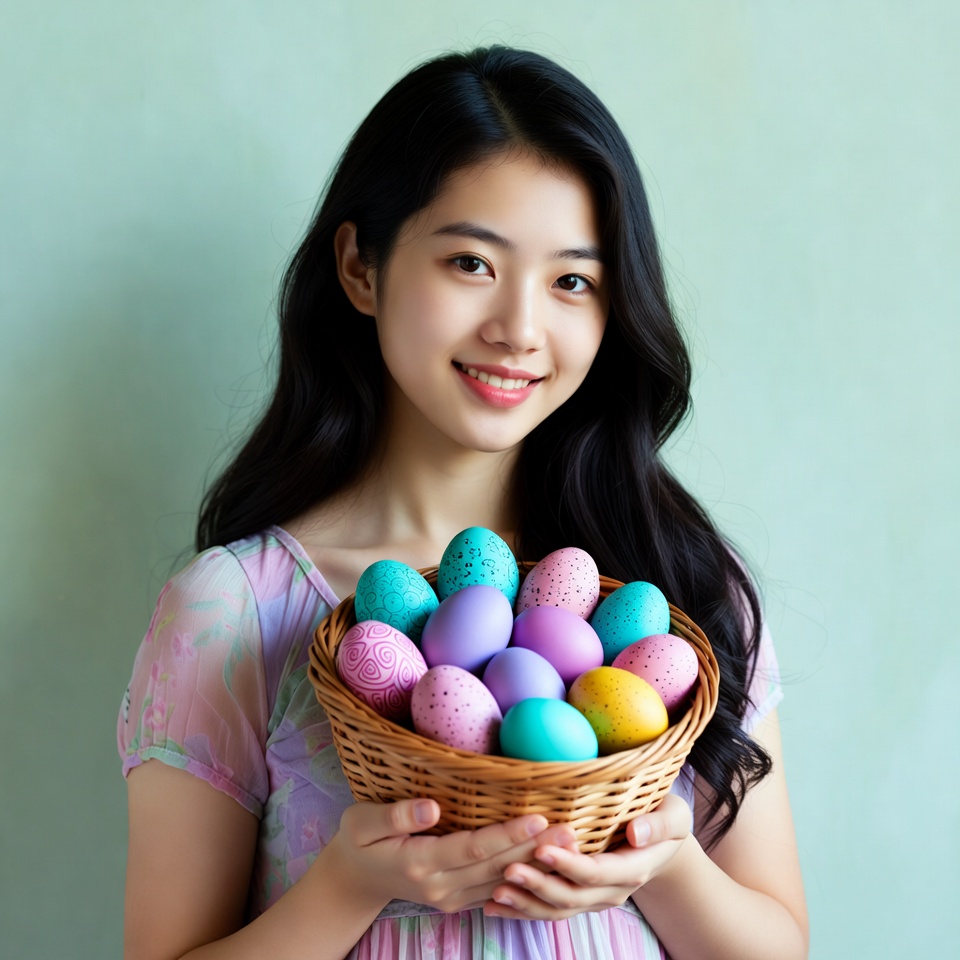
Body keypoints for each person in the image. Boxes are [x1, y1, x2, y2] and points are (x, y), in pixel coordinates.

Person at [118, 45, 808, 960]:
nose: (519, 328)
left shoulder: (681, 588)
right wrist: (352, 885)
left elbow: (779, 945)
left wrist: (664, 864)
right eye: (472, 263)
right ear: (360, 268)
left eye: (572, 281)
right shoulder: (235, 611)